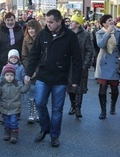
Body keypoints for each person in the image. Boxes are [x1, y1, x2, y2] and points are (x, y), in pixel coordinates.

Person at [25, 9, 82, 148]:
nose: (48, 24)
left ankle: (54, 136)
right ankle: (45, 128)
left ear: (59, 22)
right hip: (43, 76)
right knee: (39, 103)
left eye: (51, 22)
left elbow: (77, 59)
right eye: (47, 21)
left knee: (57, 110)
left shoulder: (70, 37)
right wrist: (28, 72)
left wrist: (75, 80)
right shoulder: (42, 34)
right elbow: (34, 55)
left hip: (60, 78)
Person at [0, 64, 30, 144]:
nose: (9, 77)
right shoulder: (1, 84)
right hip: (4, 107)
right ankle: (7, 132)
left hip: (15, 107)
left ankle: (14, 133)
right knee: (6, 121)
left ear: (14, 75)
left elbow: (23, 90)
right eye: (7, 75)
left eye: (11, 75)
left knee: (13, 121)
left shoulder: (17, 83)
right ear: (4, 75)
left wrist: (27, 84)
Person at [66, 12, 94, 119]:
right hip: (69, 65)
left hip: (81, 65)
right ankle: (73, 105)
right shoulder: (67, 34)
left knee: (79, 87)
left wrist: (85, 64)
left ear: (78, 24)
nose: (71, 23)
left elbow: (89, 50)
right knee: (70, 87)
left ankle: (78, 108)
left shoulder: (85, 35)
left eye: (73, 22)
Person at [94, 14, 120, 119]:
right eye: (108, 20)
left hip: (115, 62)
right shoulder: (99, 33)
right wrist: (108, 32)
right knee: (102, 88)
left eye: (112, 20)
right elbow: (101, 45)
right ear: (103, 24)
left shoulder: (119, 32)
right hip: (103, 62)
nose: (111, 22)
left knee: (114, 88)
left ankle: (113, 105)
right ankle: (103, 110)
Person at [21, 19, 42, 123]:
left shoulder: (42, 38)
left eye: (33, 28)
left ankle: (39, 111)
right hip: (30, 69)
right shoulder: (26, 40)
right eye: (29, 28)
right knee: (31, 91)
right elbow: (24, 56)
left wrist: (36, 70)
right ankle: (32, 112)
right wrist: (30, 70)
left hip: (41, 70)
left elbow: (44, 57)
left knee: (40, 92)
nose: (31, 31)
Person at [0, 12, 24, 83]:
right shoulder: (0, 31)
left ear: (15, 20)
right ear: (4, 20)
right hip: (3, 61)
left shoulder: (20, 30)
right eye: (8, 20)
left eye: (11, 20)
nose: (10, 22)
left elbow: (23, 45)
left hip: (17, 62)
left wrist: (21, 59)